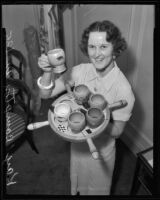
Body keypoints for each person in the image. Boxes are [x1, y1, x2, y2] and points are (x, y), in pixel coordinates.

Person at [37, 20, 135, 195]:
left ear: (115, 49)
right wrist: (47, 71)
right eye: (92, 47)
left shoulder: (123, 89)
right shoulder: (80, 71)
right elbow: (45, 95)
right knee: (79, 186)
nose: (96, 54)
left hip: (101, 153)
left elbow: (118, 131)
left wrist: (93, 121)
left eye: (103, 46)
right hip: (78, 146)